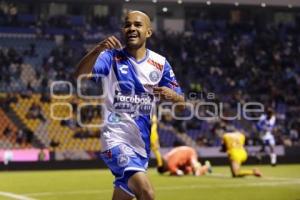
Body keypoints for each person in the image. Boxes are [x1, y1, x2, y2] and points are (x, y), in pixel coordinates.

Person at [75, 10, 184, 200]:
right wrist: (97, 49)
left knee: (125, 196)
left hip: (141, 146)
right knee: (146, 193)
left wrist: (173, 95)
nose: (131, 28)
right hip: (115, 140)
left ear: (148, 32)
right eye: (127, 25)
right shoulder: (109, 57)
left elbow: (182, 103)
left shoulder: (160, 63)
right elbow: (79, 76)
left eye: (137, 25)